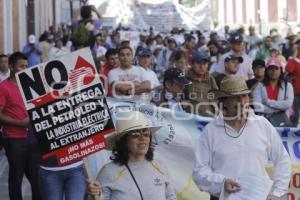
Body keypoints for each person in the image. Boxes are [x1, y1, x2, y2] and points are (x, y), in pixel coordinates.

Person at [192, 74, 291, 200]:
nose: (242, 102)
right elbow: (199, 171)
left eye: (244, 96)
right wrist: (221, 183)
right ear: (224, 101)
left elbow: (283, 160)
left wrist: (277, 193)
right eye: (236, 98)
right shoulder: (210, 131)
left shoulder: (262, 124)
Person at [87, 111, 177, 200]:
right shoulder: (108, 171)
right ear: (123, 141)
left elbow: (171, 197)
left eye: (146, 133)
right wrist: (94, 197)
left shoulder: (161, 166)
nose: (142, 138)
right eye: (135, 134)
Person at [0, 52, 41, 200]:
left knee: (37, 179)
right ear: (11, 67)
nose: (25, 69)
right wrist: (19, 123)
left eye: (26, 66)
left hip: (33, 138)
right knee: (16, 179)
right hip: (14, 139)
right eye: (21, 66)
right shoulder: (3, 87)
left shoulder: (30, 85)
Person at [252, 57, 294, 127]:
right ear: (267, 70)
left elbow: (287, 104)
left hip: (282, 122)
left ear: (280, 70)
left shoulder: (288, 86)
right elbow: (257, 107)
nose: (273, 71)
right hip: (263, 123)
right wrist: (280, 108)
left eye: (276, 68)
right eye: (271, 68)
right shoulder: (259, 85)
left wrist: (268, 102)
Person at [185, 52, 218, 116]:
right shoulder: (186, 78)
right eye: (198, 63)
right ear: (192, 64)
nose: (202, 66)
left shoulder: (210, 78)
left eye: (204, 63)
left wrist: (214, 104)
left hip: (208, 116)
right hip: (190, 117)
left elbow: (216, 94)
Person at [286, 38, 300, 126]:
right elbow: (289, 70)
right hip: (296, 93)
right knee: (295, 115)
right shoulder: (292, 59)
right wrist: (294, 57)